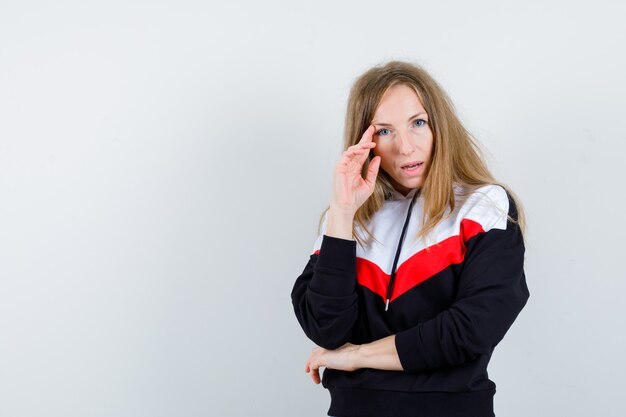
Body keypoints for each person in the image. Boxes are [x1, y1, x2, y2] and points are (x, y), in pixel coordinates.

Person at [290, 61, 530, 417]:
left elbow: (470, 330)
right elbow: (327, 328)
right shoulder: (345, 220)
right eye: (385, 131)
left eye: (418, 123)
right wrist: (342, 213)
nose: (405, 147)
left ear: (439, 126)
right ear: (366, 142)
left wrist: (356, 356)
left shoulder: (483, 206)